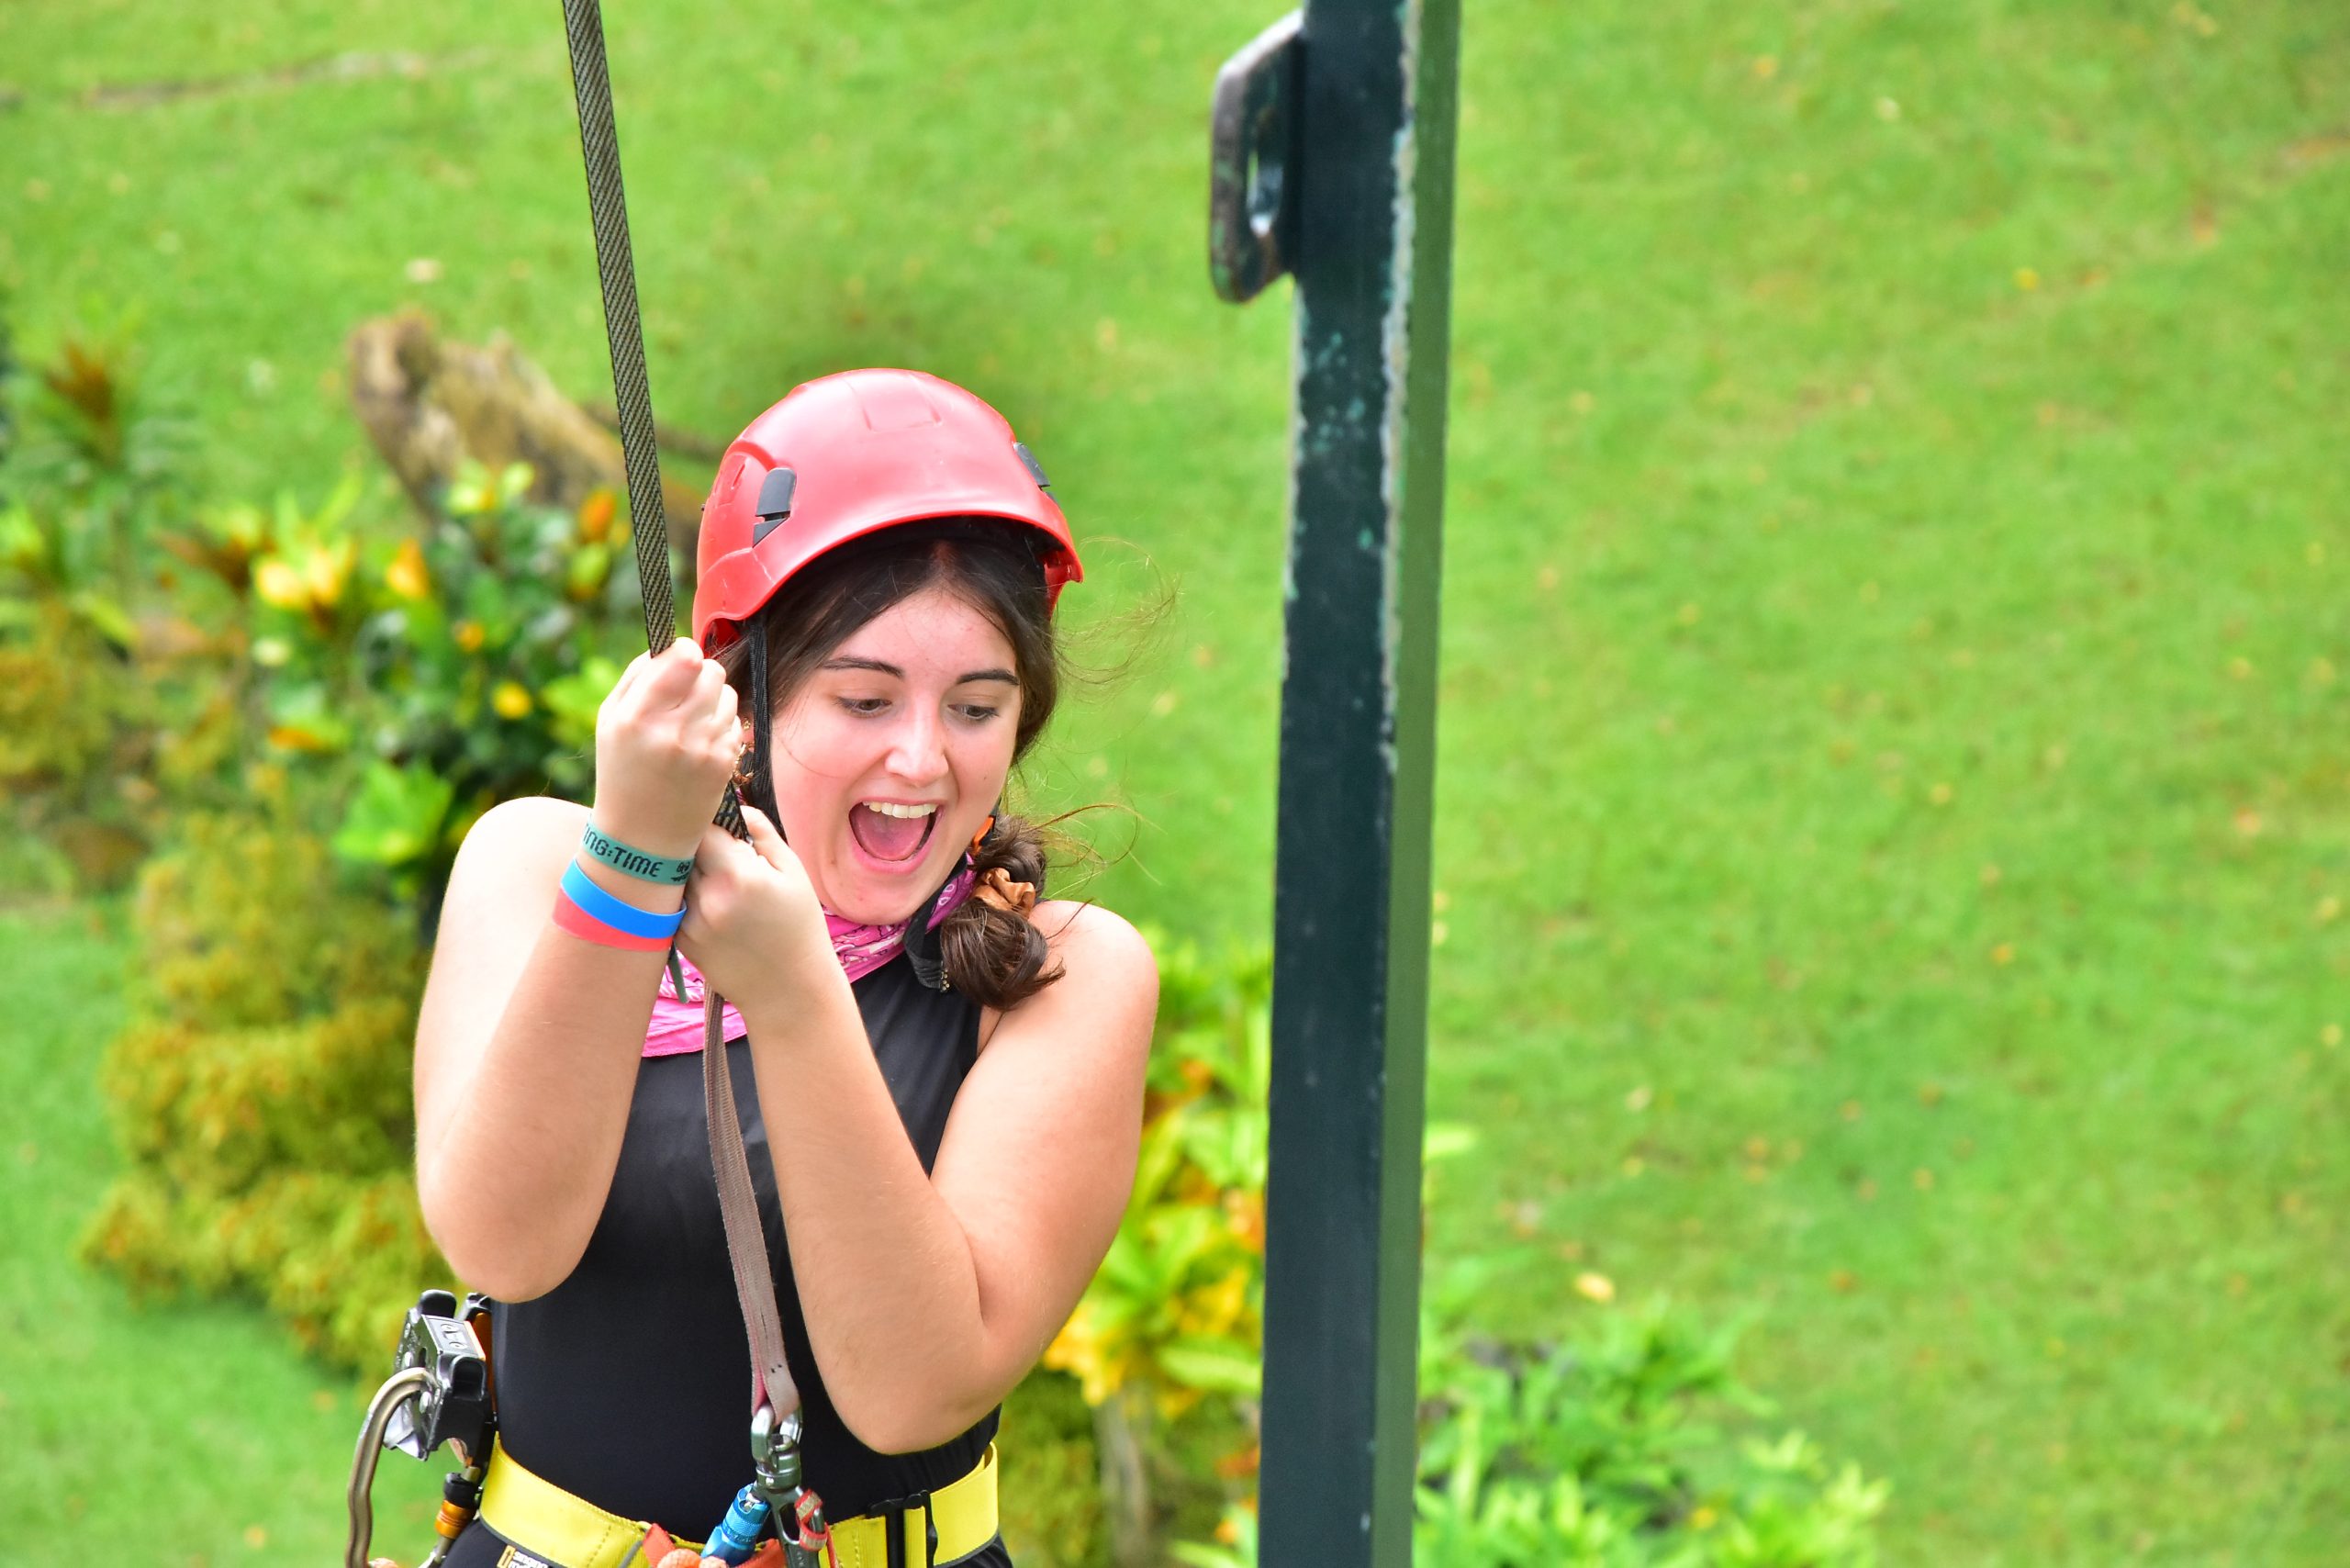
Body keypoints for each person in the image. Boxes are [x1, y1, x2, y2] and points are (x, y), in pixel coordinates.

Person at [410, 368, 1159, 1567]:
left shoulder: (1063, 979)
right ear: (744, 695)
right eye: (863, 698)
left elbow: (916, 1391)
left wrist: (796, 993)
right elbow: (502, 1244)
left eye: (977, 708)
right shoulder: (538, 867)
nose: (919, 760)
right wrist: (628, 863)